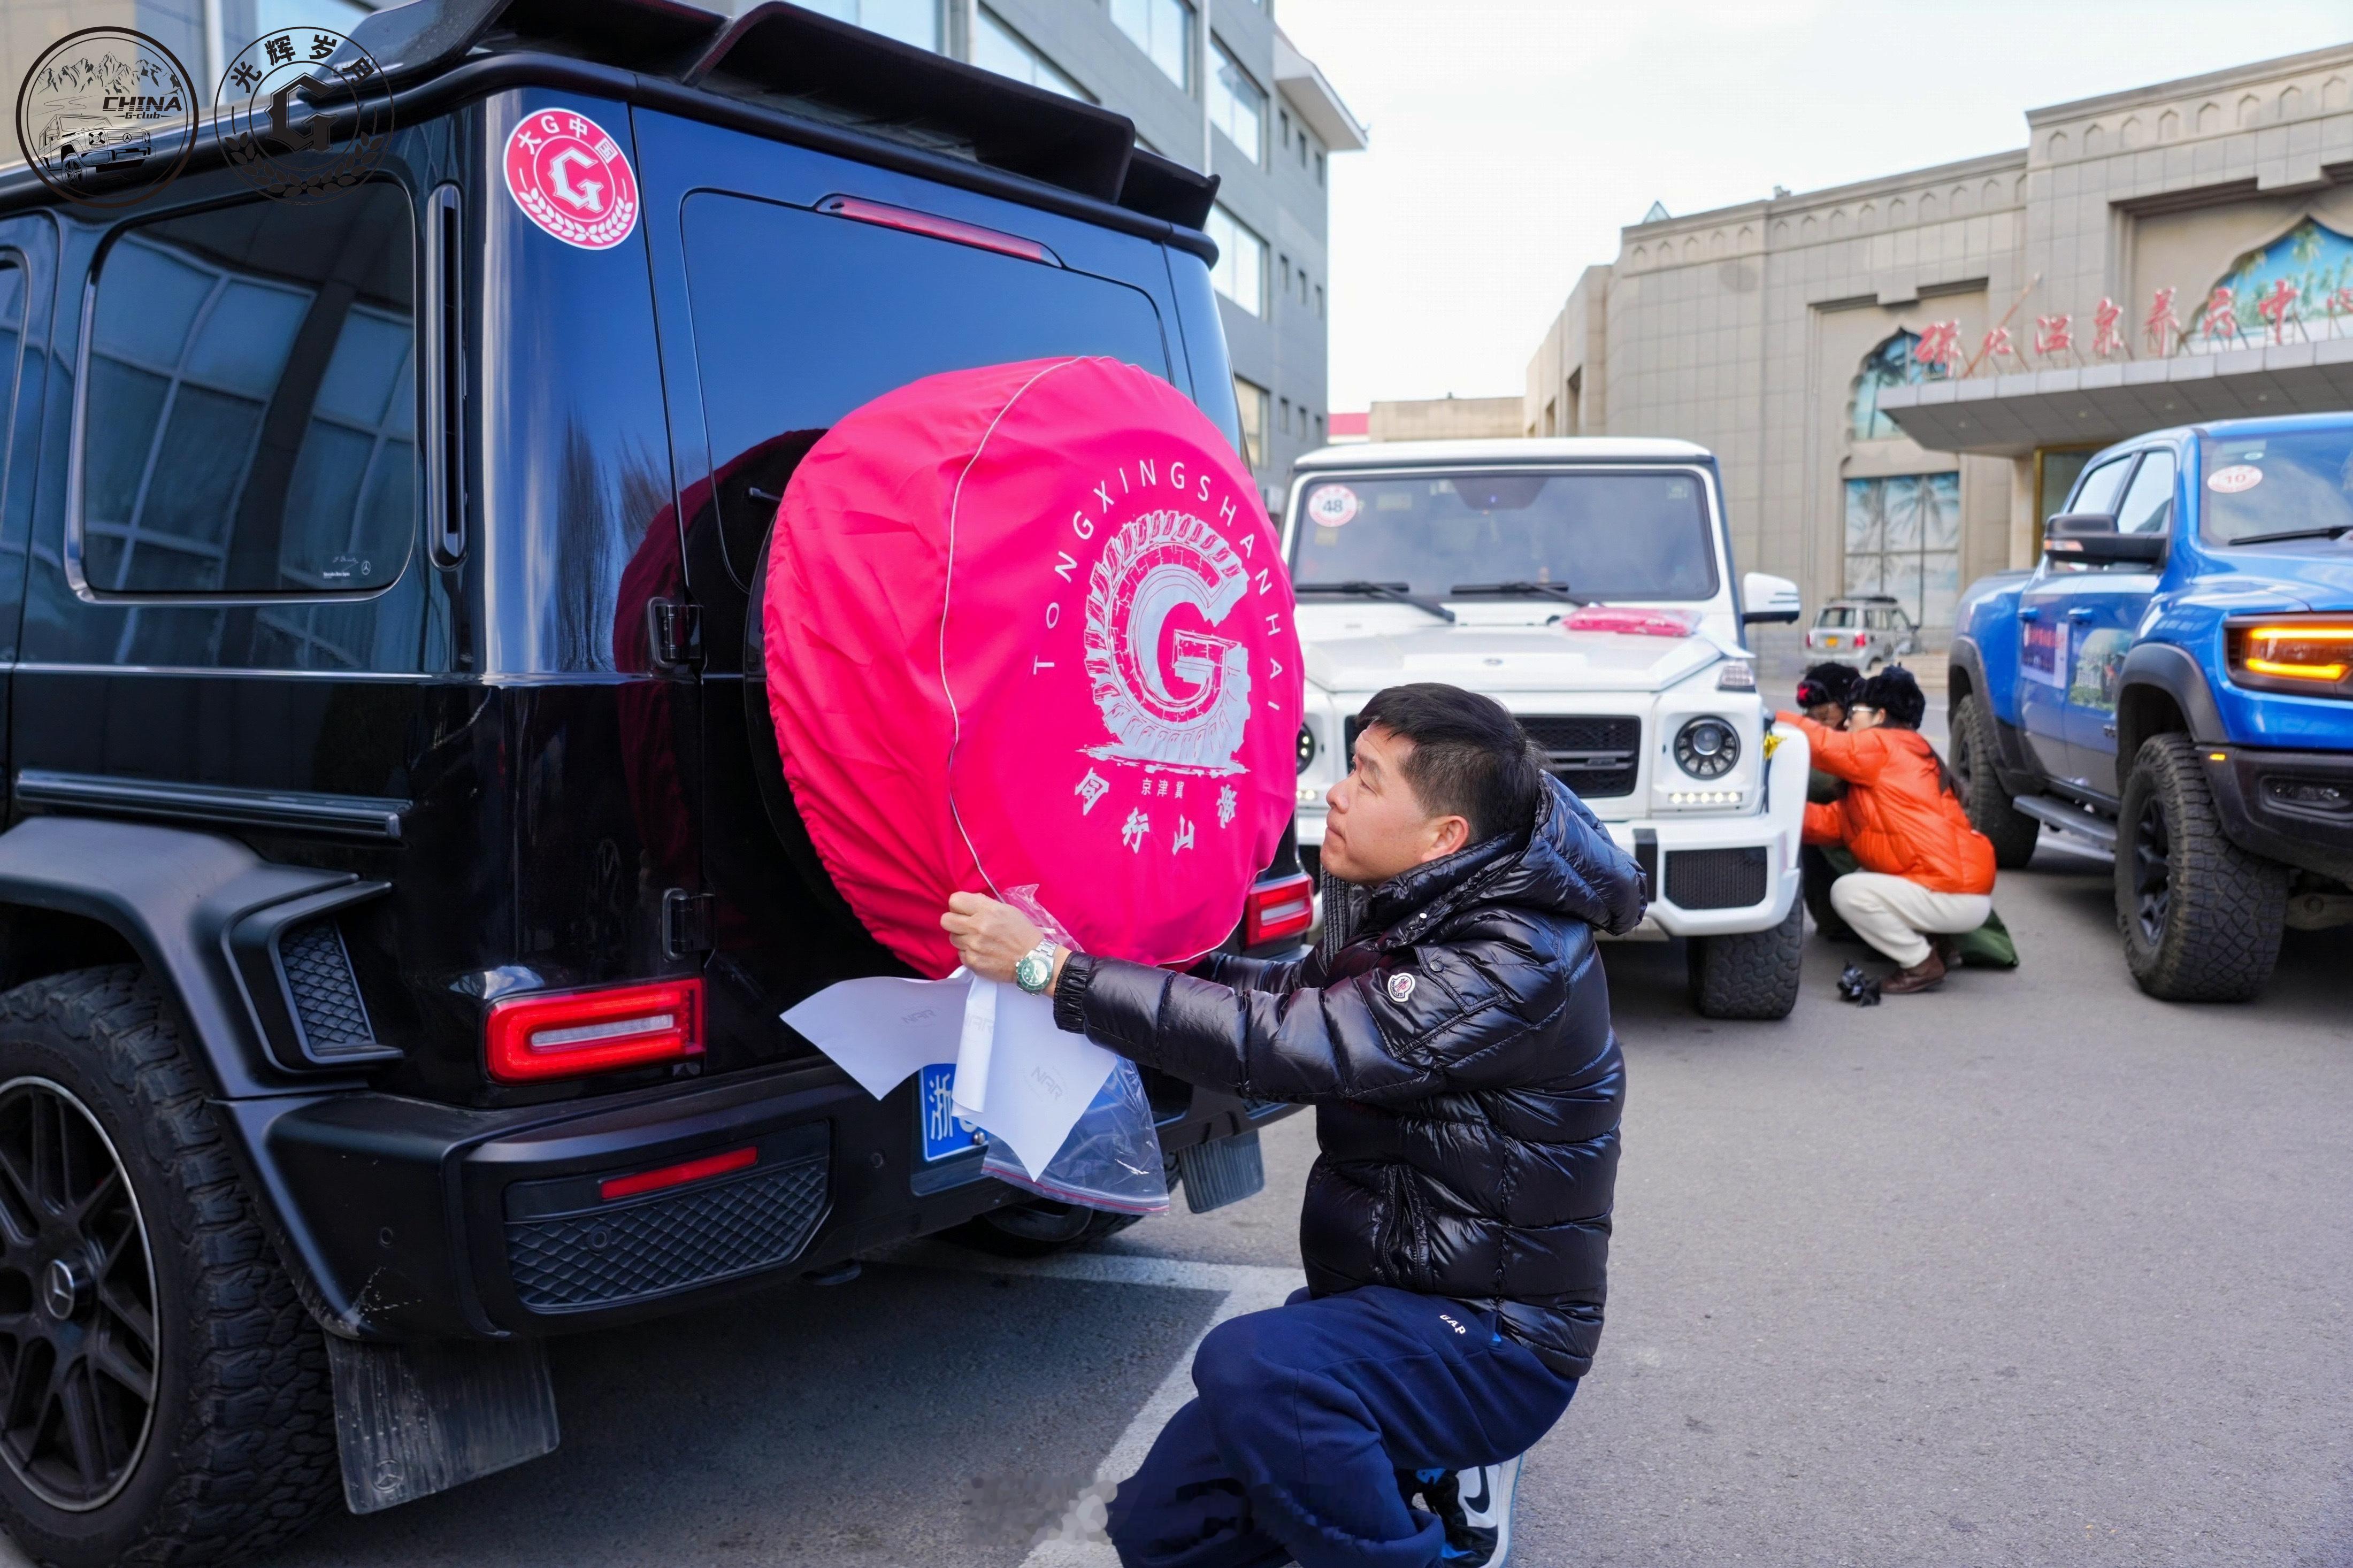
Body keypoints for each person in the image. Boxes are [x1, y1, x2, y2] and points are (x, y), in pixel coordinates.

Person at [941, 682, 1645, 1568]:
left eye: (1367, 778)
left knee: (1256, 1366)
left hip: (1490, 1338)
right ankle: (1396, 1478)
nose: (1337, 793)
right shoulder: (1433, 902)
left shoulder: (1510, 961)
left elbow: (1279, 1043)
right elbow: (1279, 995)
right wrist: (1109, 951)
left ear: (1443, 836)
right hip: (1384, 1307)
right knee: (1159, 1529)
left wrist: (1054, 970)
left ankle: (1418, 1536)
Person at [1775, 666, 1995, 994]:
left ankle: (1921, 963)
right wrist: (1775, 815)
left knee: (1849, 891)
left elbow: (1823, 745)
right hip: (1959, 891)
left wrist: (1771, 723)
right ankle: (1942, 946)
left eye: (1855, 714)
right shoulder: (1903, 757)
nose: (1847, 723)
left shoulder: (1884, 745)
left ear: (1880, 716)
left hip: (1954, 894)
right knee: (1873, 868)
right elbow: (1828, 823)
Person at [1793, 662, 1864, 942]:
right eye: (1811, 716)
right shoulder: (1811, 736)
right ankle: (1834, 919)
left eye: (1824, 714)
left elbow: (1820, 781)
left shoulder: (1869, 733)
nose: (1817, 722)